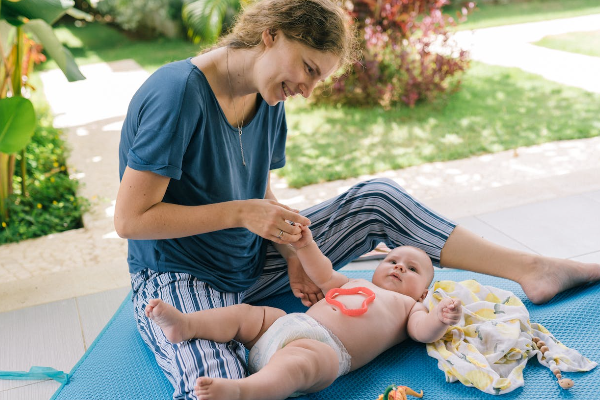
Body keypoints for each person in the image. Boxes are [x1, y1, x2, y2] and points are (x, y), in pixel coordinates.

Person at [114, 0, 600, 398]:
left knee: (377, 198)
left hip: (249, 261)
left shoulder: (268, 98)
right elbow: (131, 219)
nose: (305, 89)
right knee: (222, 386)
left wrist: (292, 253)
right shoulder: (178, 93)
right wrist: (244, 213)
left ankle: (532, 269)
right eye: (307, 68)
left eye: (317, 78)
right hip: (181, 274)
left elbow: (257, 191)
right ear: (271, 34)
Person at [145, 227, 462, 400]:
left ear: (423, 291)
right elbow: (323, 273)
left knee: (297, 365)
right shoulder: (353, 281)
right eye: (392, 260)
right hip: (290, 324)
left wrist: (440, 318)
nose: (398, 267)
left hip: (328, 351)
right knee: (248, 315)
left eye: (411, 269)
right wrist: (305, 245)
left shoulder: (412, 306)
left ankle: (244, 391)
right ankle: (187, 324)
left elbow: (423, 331)